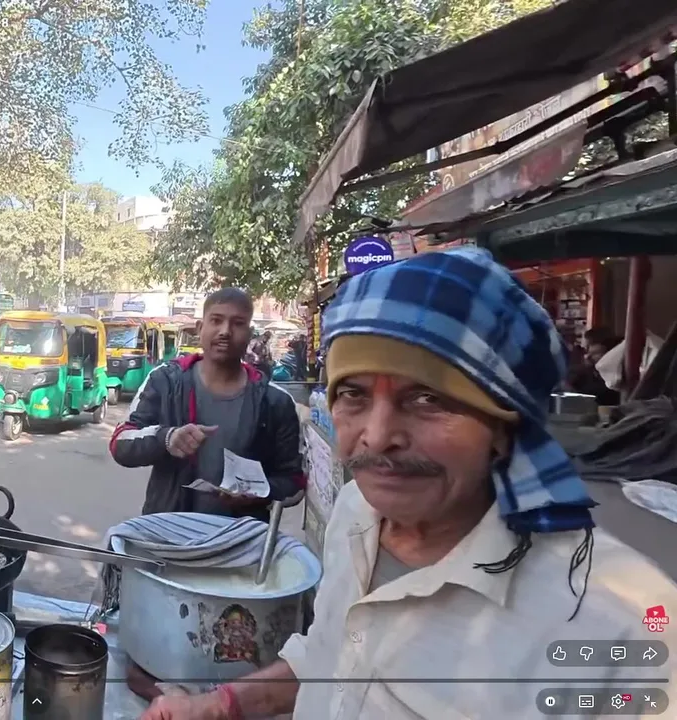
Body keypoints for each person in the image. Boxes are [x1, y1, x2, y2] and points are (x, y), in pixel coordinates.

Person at [139, 248, 677, 719]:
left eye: (427, 398)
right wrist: (218, 706)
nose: (377, 437)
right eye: (353, 394)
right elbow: (333, 657)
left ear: (504, 421)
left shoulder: (621, 620)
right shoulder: (357, 512)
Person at [109, 288, 303, 521]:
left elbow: (295, 482)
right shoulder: (165, 381)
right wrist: (166, 438)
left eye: (237, 323)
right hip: (168, 532)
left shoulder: (275, 401)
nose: (225, 331)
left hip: (241, 537)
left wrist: (259, 493)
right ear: (200, 328)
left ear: (250, 334)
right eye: (216, 320)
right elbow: (120, 444)